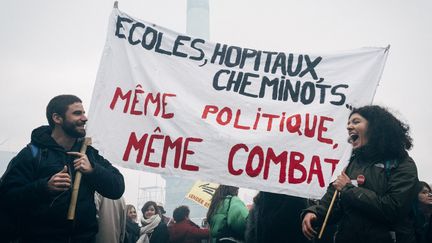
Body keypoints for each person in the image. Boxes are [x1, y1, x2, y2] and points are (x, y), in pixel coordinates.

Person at [0, 94, 125, 243]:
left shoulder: (88, 153)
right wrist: (44, 187)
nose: (85, 118)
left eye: (84, 113)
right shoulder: (33, 154)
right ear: (57, 118)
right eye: (77, 113)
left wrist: (93, 171)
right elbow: (7, 198)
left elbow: (117, 188)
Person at [301, 105, 418, 243]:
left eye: (356, 122)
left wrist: (348, 189)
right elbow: (333, 201)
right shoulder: (350, 163)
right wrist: (315, 212)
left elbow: (393, 209)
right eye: (348, 123)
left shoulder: (403, 163)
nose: (349, 127)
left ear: (376, 127)